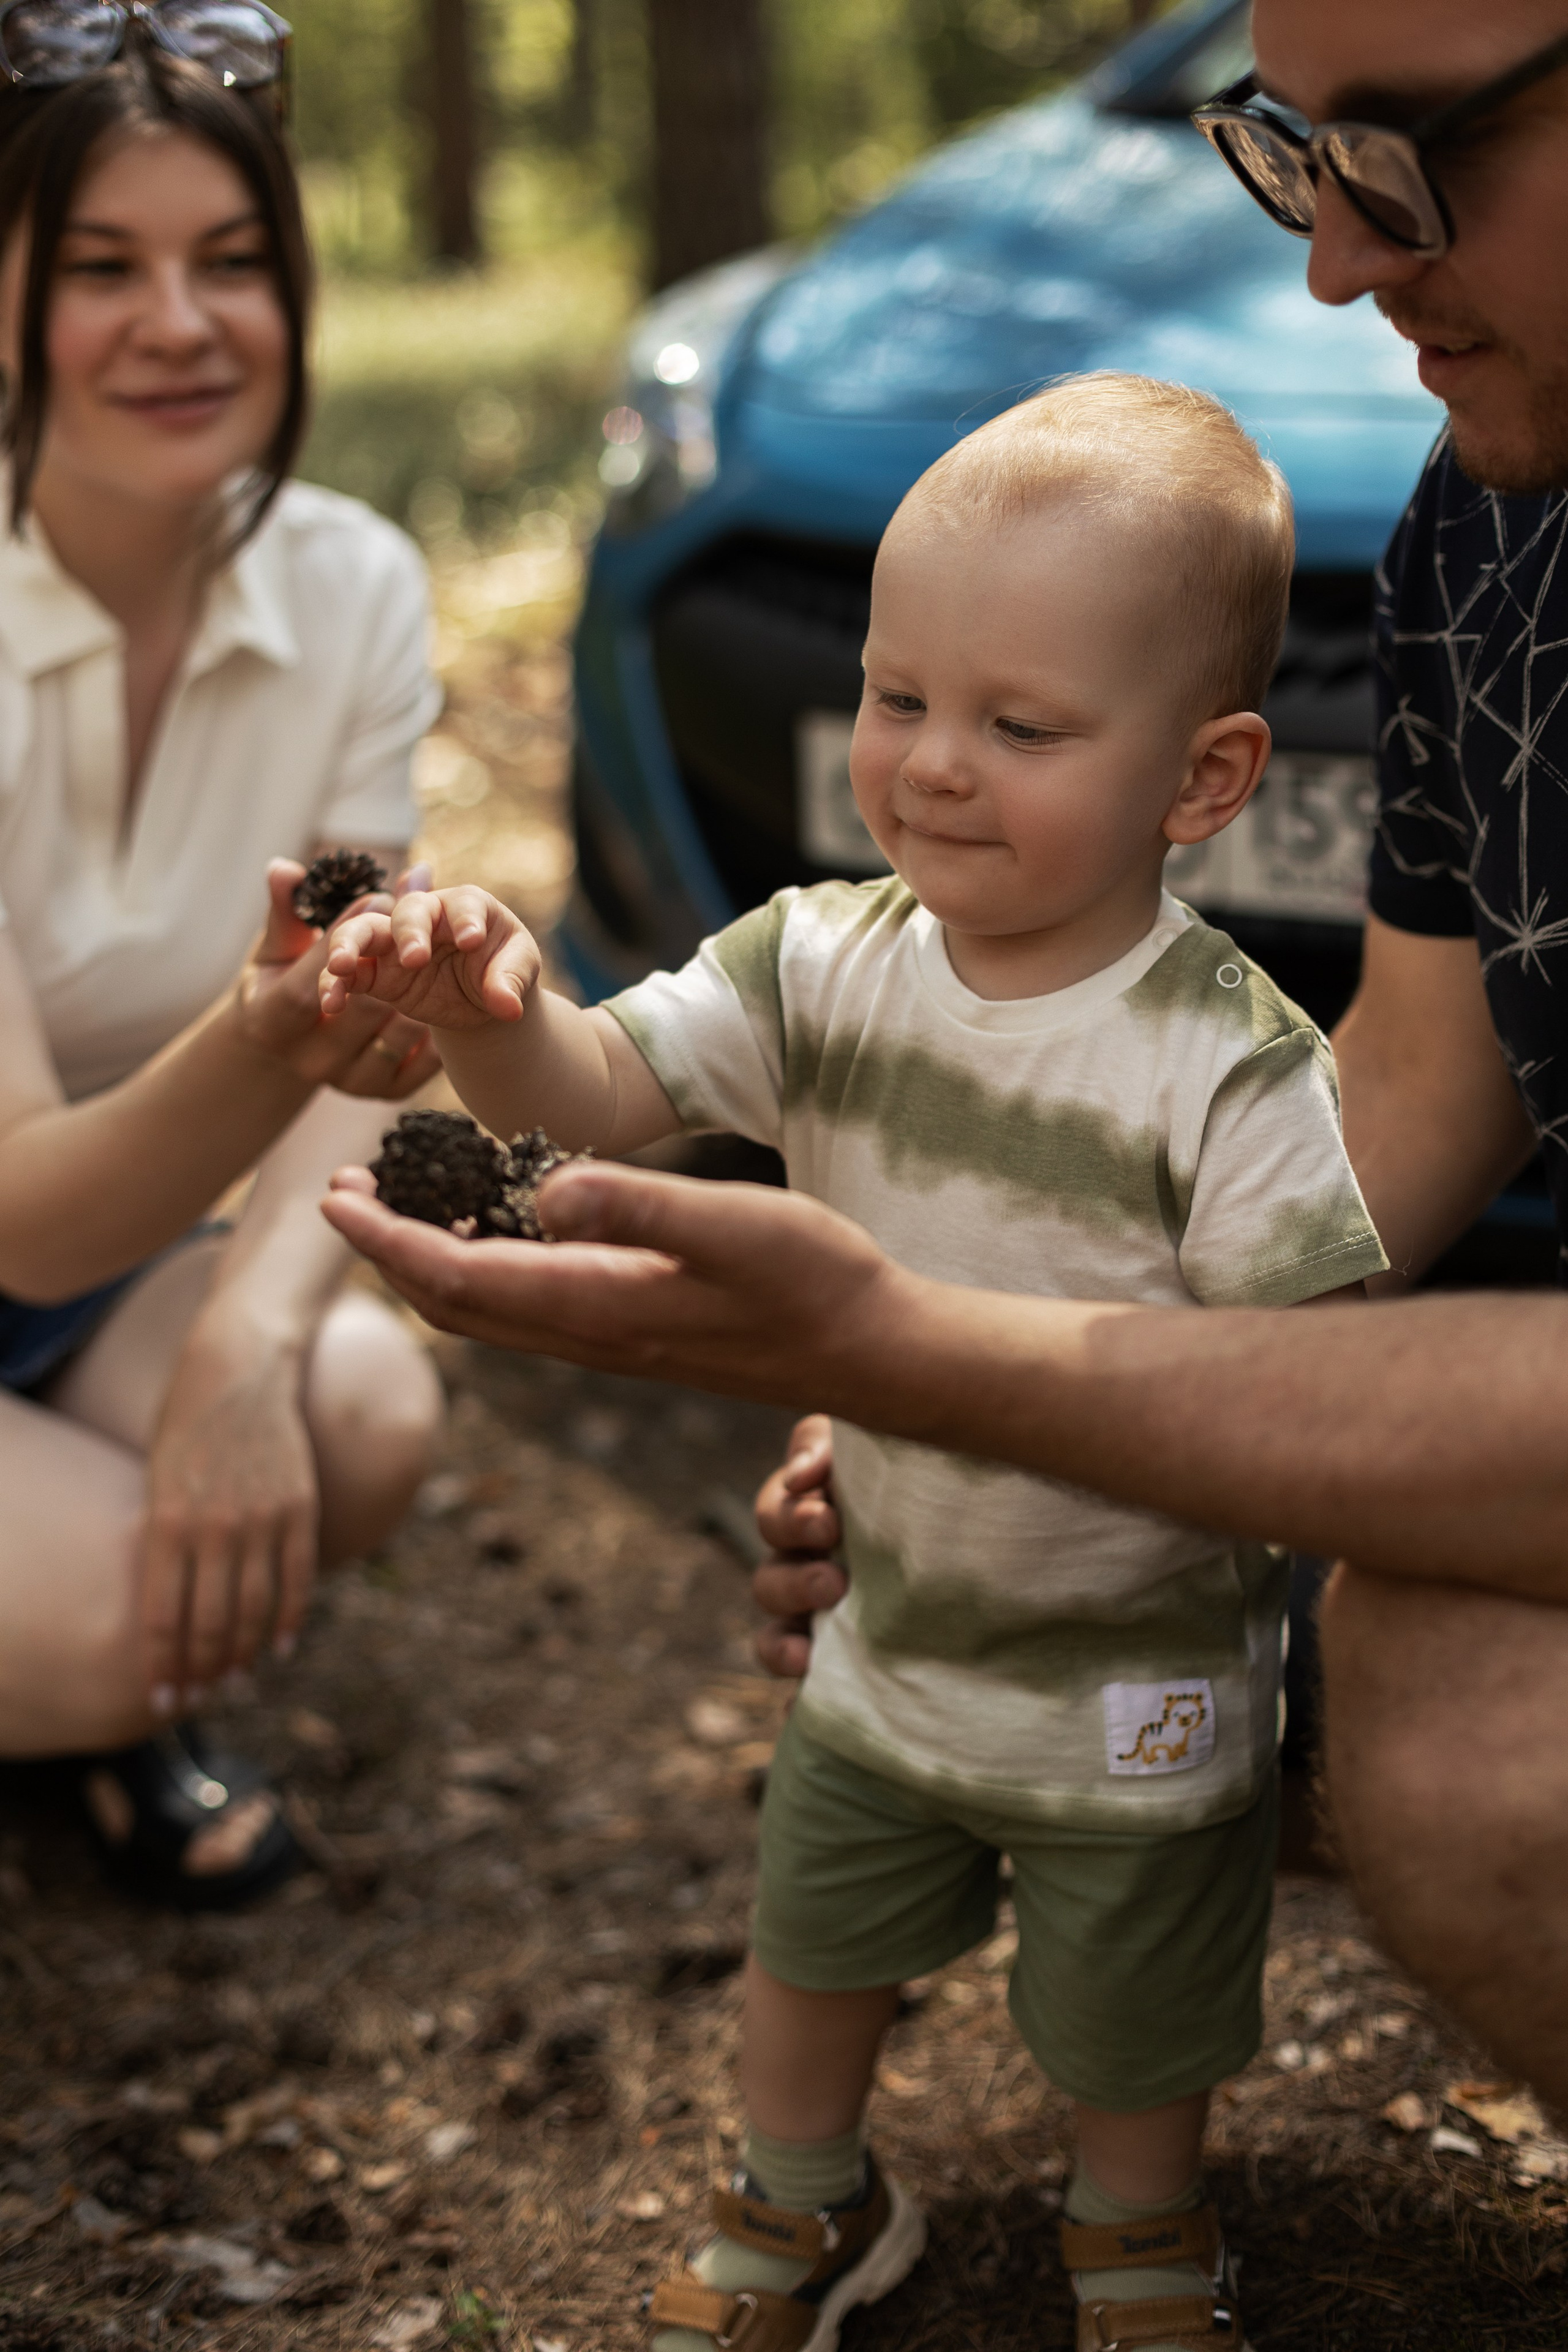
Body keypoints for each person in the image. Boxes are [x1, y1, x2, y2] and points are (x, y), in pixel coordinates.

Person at [326, 0, 1568, 2114]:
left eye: (1408, 154)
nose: (1335, 267)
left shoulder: (1198, 1028)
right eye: (1296, 148)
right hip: (945, 1689)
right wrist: (985, 1396)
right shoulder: (1489, 529)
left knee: (1446, 1757)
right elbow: (1410, 1116)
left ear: (1209, 778)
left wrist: (945, 1365)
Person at [325, 375, 1387, 2352]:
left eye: (1023, 727)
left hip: (1136, 1675)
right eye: (900, 698)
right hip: (886, 1636)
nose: (936, 767)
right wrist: (488, 1006)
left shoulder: (1231, 1067)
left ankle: (1140, 2237)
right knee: (810, 1946)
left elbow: (1299, 1387)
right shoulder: (820, 960)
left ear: (1205, 776)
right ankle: (807, 2200)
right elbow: (595, 1089)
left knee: (1137, 2008)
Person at [0, 7, 445, 1908]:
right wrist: (272, 1042)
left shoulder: (352, 590)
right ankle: (81, 1690)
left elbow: (362, 1031)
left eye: (232, 260)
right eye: (101, 268)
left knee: (359, 1413)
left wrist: (251, 1338)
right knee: (122, 1616)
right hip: (45, 1224)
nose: (178, 324)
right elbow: (26, 1214)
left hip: (94, 1265)